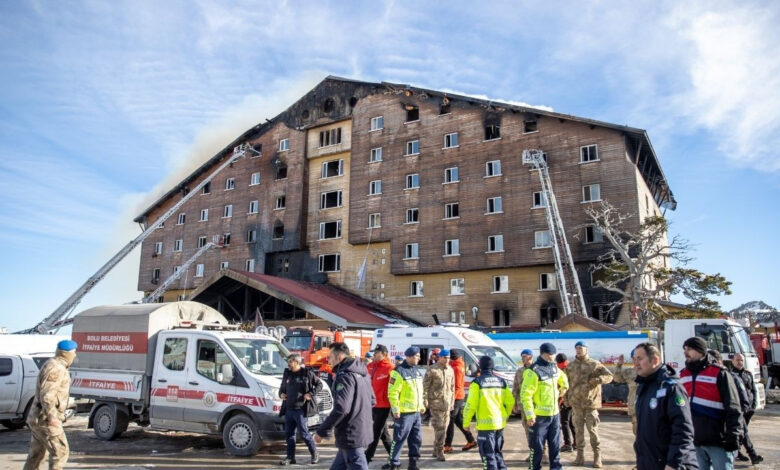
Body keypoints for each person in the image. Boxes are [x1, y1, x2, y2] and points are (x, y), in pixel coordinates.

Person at [632, 342, 698, 470]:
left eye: (640, 359)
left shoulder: (672, 388)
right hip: (650, 462)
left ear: (655, 360)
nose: (636, 363)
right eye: (634, 359)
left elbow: (683, 430)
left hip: (673, 465)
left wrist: (673, 463)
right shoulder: (644, 387)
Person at [679, 337, 742, 470]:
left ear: (701, 351)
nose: (686, 352)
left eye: (689, 349)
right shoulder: (683, 375)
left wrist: (734, 435)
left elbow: (733, 407)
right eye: (684, 349)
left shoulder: (719, 373)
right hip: (694, 442)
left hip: (719, 442)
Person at [314, 342, 374, 470]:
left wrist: (322, 431)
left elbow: (342, 408)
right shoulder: (363, 373)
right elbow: (372, 400)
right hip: (358, 430)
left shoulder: (345, 375)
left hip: (351, 433)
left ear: (339, 357)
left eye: (330, 357)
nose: (328, 360)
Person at [24, 339, 78, 470]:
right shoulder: (56, 368)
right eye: (74, 352)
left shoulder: (53, 364)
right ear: (67, 353)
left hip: (39, 418)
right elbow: (48, 395)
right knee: (60, 452)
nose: (75, 355)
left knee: (36, 455)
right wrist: (52, 417)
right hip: (45, 419)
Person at [566, 340, 613, 468]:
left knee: (593, 431)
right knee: (578, 431)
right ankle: (580, 456)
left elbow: (609, 376)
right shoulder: (570, 366)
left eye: (581, 348)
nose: (578, 350)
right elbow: (566, 384)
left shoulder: (594, 364)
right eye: (576, 348)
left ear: (586, 349)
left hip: (590, 403)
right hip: (576, 404)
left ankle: (597, 457)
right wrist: (566, 399)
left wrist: (598, 380)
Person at [521, 342, 569, 470]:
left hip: (554, 415)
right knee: (537, 449)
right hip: (539, 417)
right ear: (543, 354)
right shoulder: (532, 372)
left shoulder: (554, 368)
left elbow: (563, 378)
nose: (552, 357)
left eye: (553, 354)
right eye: (550, 355)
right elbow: (525, 395)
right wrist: (530, 415)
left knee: (555, 446)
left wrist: (564, 387)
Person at [463, 356, 515, 470]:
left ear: (479, 367)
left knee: (488, 457)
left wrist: (466, 423)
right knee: (497, 453)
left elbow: (470, 405)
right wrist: (505, 415)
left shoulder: (477, 383)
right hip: (499, 424)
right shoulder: (501, 382)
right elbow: (510, 402)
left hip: (486, 426)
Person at [383, 347, 425, 470]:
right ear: (409, 356)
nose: (419, 358)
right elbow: (392, 392)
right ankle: (394, 463)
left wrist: (421, 405)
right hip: (404, 414)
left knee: (416, 439)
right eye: (417, 356)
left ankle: (413, 463)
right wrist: (395, 410)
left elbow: (419, 391)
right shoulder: (398, 372)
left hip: (416, 413)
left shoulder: (417, 371)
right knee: (399, 438)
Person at [279, 353, 322, 465]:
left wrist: (310, 394)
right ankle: (290, 457)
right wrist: (281, 394)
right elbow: (282, 388)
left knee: (304, 434)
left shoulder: (307, 373)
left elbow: (319, 385)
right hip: (289, 409)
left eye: (290, 362)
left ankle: (314, 453)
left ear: (297, 362)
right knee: (289, 434)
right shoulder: (287, 373)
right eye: (288, 362)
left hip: (300, 410)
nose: (288, 364)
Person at [730, 353, 763, 464]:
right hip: (738, 409)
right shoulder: (729, 375)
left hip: (748, 409)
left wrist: (753, 405)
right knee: (744, 431)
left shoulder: (748, 374)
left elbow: (753, 390)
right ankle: (753, 455)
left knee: (742, 432)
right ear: (732, 361)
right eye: (737, 360)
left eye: (741, 360)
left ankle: (738, 452)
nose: (740, 362)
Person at [423, 349, 455, 461]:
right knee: (440, 427)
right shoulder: (432, 370)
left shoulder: (450, 370)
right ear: (439, 358)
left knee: (443, 428)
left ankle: (435, 449)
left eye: (448, 357)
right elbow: (425, 387)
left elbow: (452, 387)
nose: (447, 360)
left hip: (447, 404)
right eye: (444, 357)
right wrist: (425, 401)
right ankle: (440, 451)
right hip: (435, 403)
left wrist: (452, 402)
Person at [444, 349, 476, 453]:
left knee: (450, 421)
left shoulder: (456, 368)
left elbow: (456, 386)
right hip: (458, 396)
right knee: (458, 420)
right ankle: (471, 440)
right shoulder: (458, 365)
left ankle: (447, 445)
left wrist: (452, 400)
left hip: (456, 397)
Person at [366, 344, 394, 464]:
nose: (374, 355)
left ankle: (367, 456)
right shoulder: (370, 366)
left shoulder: (390, 368)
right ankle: (393, 454)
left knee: (376, 431)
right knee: (384, 434)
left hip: (383, 405)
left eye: (377, 353)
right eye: (374, 353)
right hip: (372, 404)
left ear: (384, 355)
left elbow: (394, 388)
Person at [511, 348, 535, 461]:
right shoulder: (520, 371)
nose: (523, 359)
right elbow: (515, 387)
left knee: (538, 431)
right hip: (523, 406)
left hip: (536, 406)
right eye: (522, 357)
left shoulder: (537, 369)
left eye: (525, 356)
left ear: (531, 357)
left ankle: (543, 453)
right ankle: (532, 452)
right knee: (527, 430)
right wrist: (514, 403)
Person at [613, 351, 639, 435]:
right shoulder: (630, 372)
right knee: (637, 432)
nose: (636, 361)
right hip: (635, 406)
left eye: (639, 358)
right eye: (634, 358)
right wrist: (619, 365)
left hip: (649, 407)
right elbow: (617, 379)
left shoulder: (651, 372)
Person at [555, 353, 576, 452]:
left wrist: (560, 398)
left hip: (564, 399)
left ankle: (567, 444)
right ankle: (576, 443)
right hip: (573, 399)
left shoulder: (559, 370)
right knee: (571, 422)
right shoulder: (572, 367)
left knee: (564, 422)